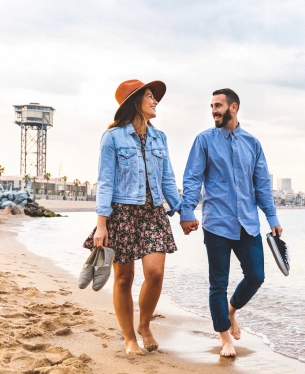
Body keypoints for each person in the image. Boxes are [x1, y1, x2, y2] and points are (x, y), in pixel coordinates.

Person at [180, 88, 282, 357]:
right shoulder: (204, 140)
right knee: (218, 284)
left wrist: (272, 217)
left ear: (233, 107)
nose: (214, 110)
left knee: (256, 277)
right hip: (217, 223)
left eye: (218, 106)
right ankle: (225, 339)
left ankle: (231, 311)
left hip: (248, 224)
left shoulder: (253, 143)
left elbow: (262, 185)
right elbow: (192, 178)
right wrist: (187, 210)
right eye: (211, 106)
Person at [83, 79, 182, 355]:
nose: (155, 101)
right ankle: (129, 339)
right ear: (135, 102)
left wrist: (182, 211)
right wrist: (101, 225)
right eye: (150, 96)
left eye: (154, 96)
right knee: (124, 278)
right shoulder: (113, 137)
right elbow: (105, 181)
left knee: (156, 273)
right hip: (122, 213)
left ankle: (145, 324)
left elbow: (167, 180)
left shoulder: (159, 138)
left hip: (152, 213)